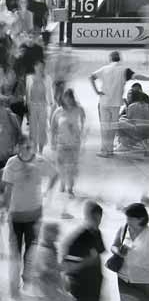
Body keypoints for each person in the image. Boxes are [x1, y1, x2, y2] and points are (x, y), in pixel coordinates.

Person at [1, 135, 58, 297]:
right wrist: (4, 209)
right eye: (24, 146)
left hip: (34, 215)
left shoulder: (40, 162)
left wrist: (47, 192)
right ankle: (14, 283)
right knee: (15, 251)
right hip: (16, 215)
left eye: (29, 147)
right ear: (18, 147)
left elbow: (54, 174)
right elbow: (8, 188)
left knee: (31, 250)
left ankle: (26, 275)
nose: (27, 149)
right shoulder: (11, 163)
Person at [89, 51, 149, 158]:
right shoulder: (124, 70)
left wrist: (97, 91)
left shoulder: (104, 69)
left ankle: (104, 150)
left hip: (104, 101)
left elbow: (91, 77)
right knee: (112, 126)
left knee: (104, 126)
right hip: (116, 103)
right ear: (119, 59)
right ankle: (110, 150)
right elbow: (137, 76)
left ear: (110, 59)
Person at [50, 89, 86, 218]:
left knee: (71, 166)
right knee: (60, 166)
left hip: (74, 144)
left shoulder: (79, 110)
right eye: (66, 97)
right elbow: (53, 127)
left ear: (72, 97)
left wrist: (81, 135)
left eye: (70, 97)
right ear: (63, 99)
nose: (68, 100)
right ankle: (62, 182)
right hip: (61, 143)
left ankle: (70, 187)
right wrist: (52, 141)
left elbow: (84, 124)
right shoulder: (58, 111)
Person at [62, 201, 105, 301]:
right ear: (87, 216)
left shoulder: (97, 233)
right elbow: (67, 266)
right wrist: (86, 262)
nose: (97, 223)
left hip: (95, 285)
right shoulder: (78, 238)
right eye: (94, 219)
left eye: (99, 220)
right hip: (81, 287)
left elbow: (98, 256)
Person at [110, 203, 149, 300]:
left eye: (130, 219)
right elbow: (113, 246)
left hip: (143, 281)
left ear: (141, 219)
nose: (127, 221)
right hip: (123, 279)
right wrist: (118, 251)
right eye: (127, 218)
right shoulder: (123, 229)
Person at [28, 222, 68, 300]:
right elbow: (43, 269)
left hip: (48, 286)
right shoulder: (42, 249)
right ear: (48, 233)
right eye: (55, 233)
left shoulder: (51, 247)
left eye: (57, 233)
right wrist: (58, 269)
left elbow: (52, 267)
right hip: (43, 287)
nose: (57, 236)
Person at [26, 60, 55, 154]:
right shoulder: (29, 78)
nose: (40, 68)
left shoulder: (47, 78)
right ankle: (34, 148)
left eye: (42, 66)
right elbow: (27, 93)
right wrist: (27, 105)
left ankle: (41, 150)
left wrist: (51, 103)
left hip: (43, 105)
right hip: (32, 105)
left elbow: (50, 91)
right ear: (34, 67)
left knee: (42, 127)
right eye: (38, 66)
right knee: (33, 128)